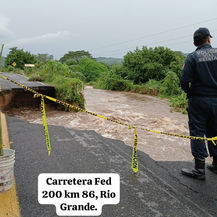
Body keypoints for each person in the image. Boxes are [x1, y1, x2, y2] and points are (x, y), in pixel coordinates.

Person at [180, 27, 217, 180]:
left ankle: (199, 170)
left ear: (195, 42)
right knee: (215, 131)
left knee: (197, 132)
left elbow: (184, 81)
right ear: (208, 38)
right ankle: (216, 164)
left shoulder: (192, 57)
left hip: (198, 101)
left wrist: (190, 92)